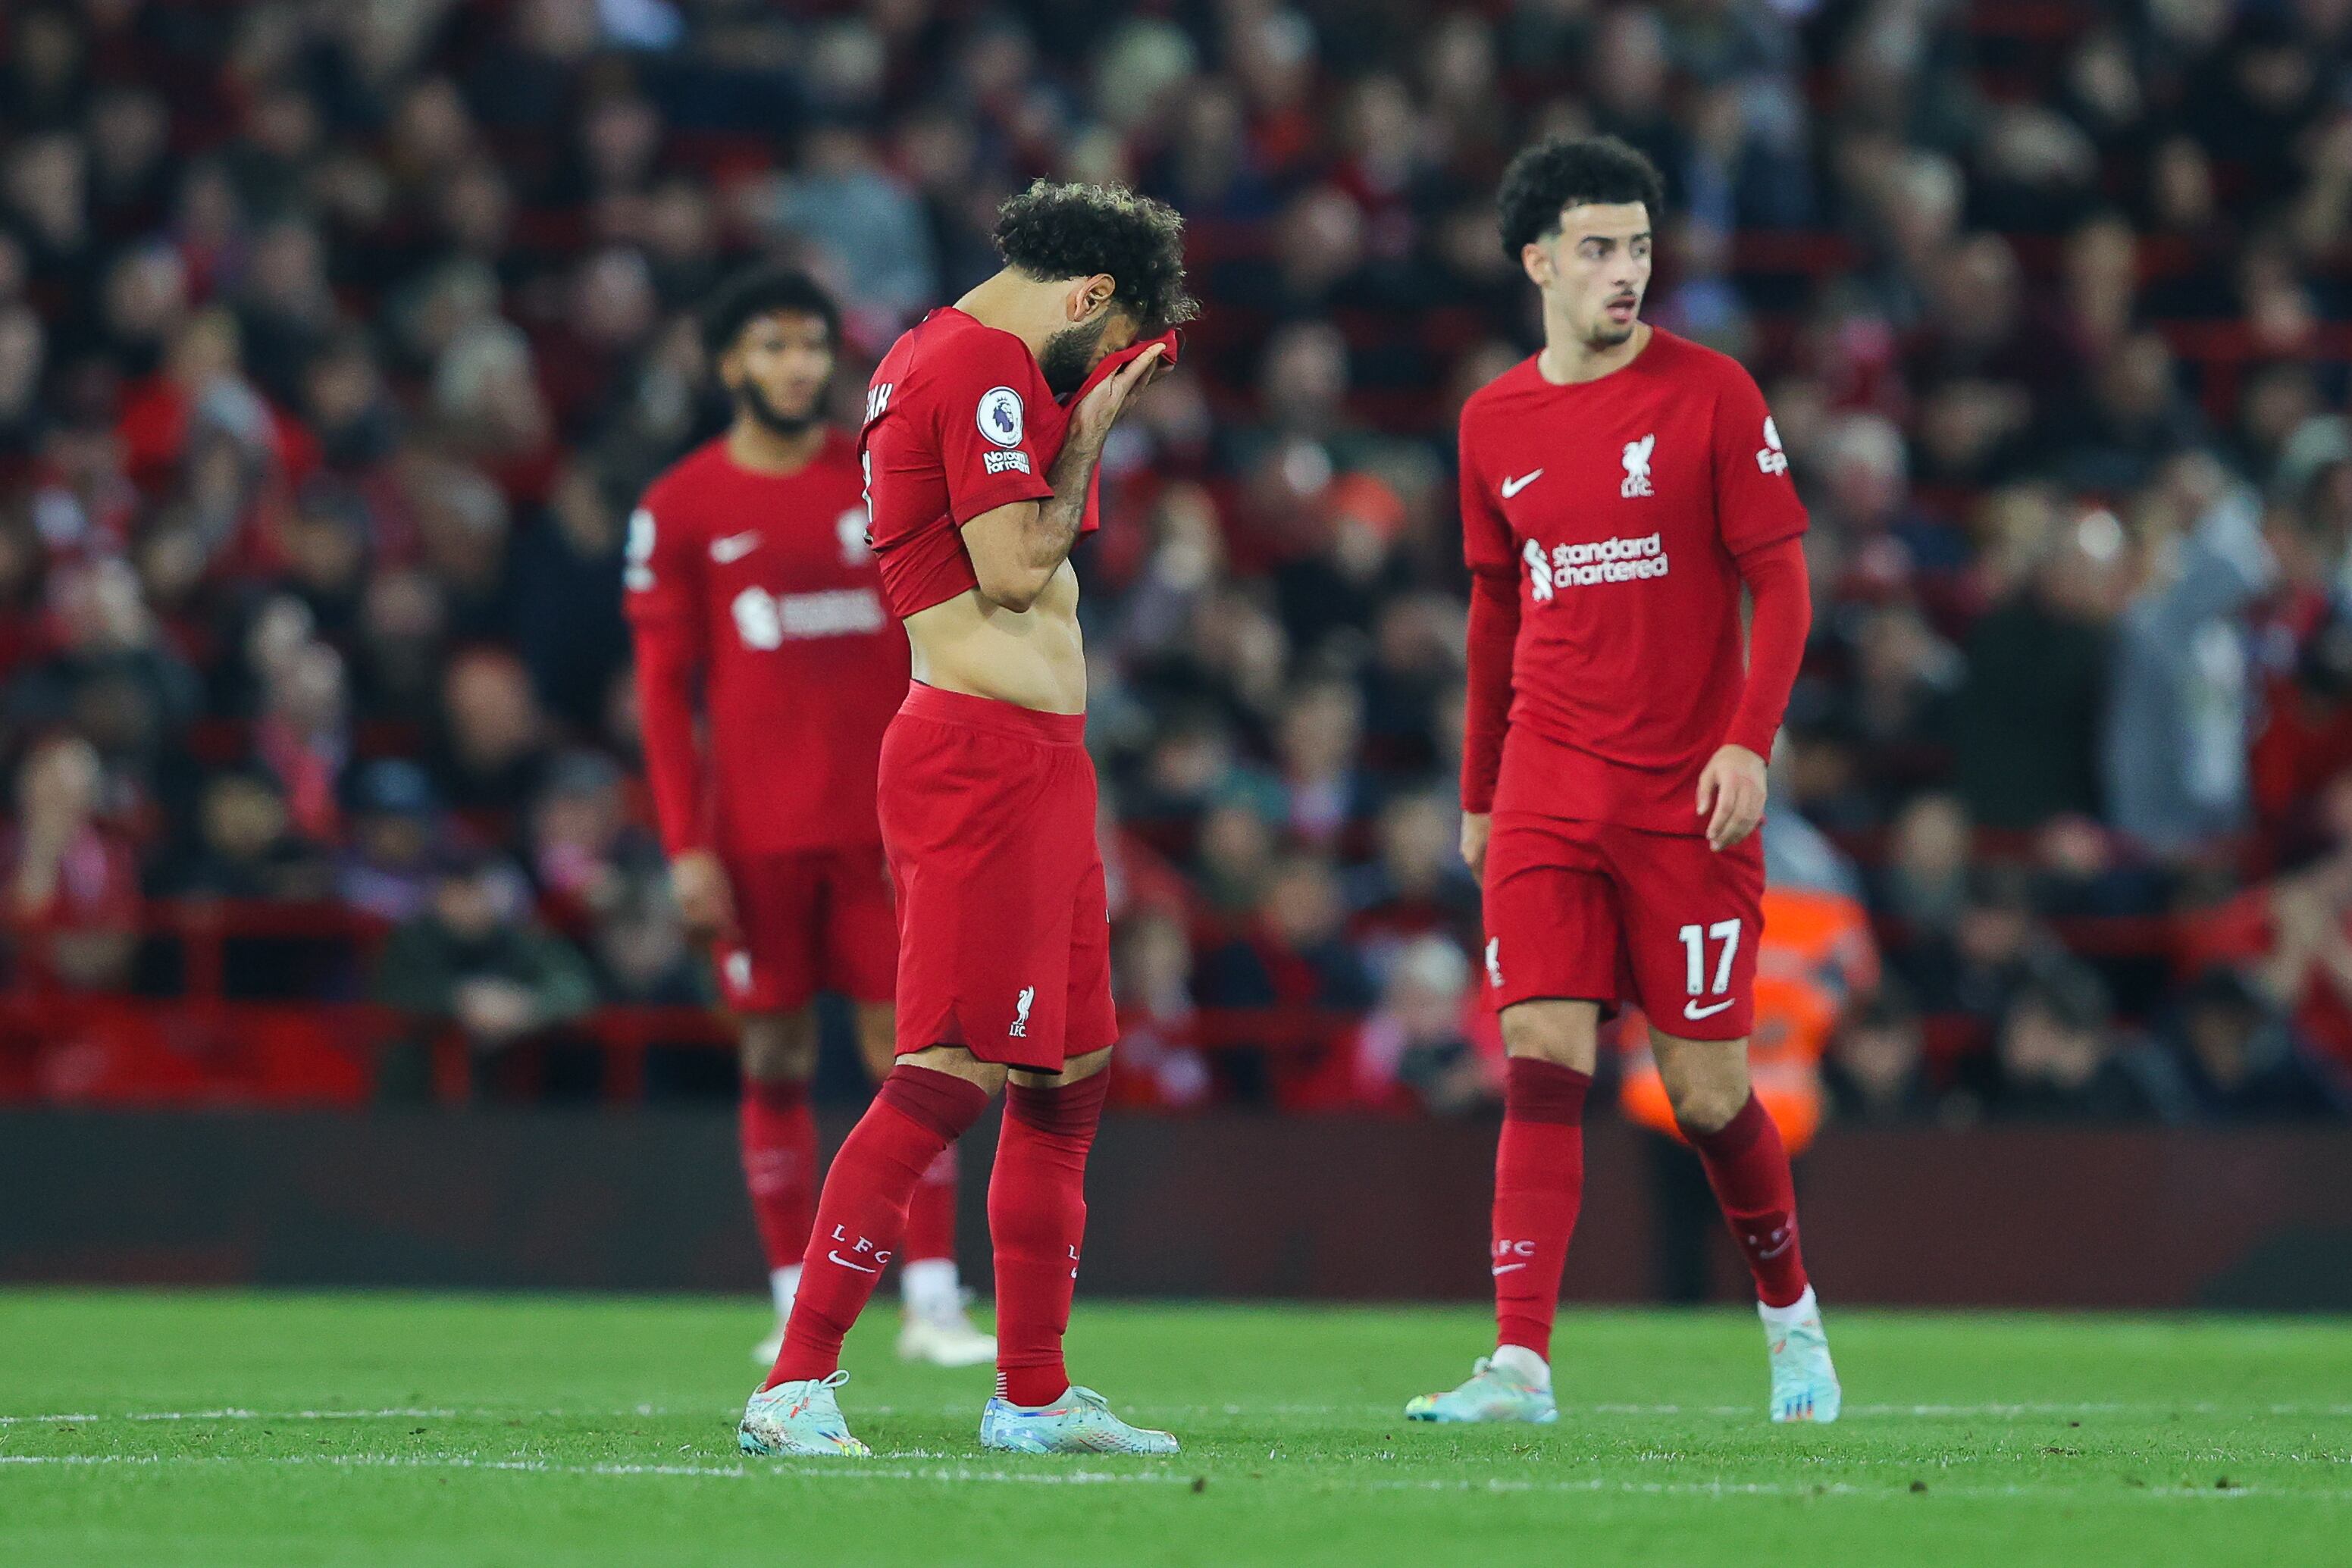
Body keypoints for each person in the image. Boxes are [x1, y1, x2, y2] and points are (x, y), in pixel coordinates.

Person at [738, 181, 1192, 1459]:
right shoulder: (988, 365)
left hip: (1041, 759)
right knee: (946, 1074)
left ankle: (1033, 1394)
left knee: (1070, 1081)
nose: (1100, 374)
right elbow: (1011, 568)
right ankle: (797, 1378)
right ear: (1092, 297)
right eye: (1113, 346)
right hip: (977, 760)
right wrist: (1092, 426)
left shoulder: (935, 351)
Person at [1406, 136, 1839, 1428]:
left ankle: (1793, 1324)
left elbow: (1786, 584)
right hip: (1546, 780)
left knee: (1707, 1093)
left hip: (1684, 797)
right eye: (1599, 248)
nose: (1626, 272)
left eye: (1641, 247)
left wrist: (1749, 741)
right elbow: (1494, 617)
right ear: (1537, 260)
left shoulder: (1712, 394)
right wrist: (1481, 791)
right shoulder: (1492, 420)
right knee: (1541, 1055)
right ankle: (1520, 1365)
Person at [625, 268, 991, 1370]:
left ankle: (931, 1298)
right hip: (754, 838)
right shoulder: (679, 506)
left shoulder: (882, 478)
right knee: (775, 1052)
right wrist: (686, 845)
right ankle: (793, 1295)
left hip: (889, 827)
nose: (796, 365)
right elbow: (661, 692)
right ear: (729, 362)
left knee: (915, 1051)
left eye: (811, 345)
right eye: (772, 346)